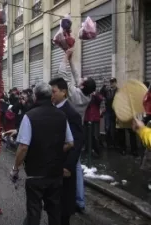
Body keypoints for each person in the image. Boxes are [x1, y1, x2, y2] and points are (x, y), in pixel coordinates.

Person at [10, 82, 74, 225]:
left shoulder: (29, 116)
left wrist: (15, 168)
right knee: (54, 211)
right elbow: (70, 143)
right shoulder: (62, 115)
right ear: (51, 95)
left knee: (34, 212)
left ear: (35, 96)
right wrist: (55, 150)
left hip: (35, 174)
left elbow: (23, 147)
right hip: (55, 173)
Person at [57, 49, 96, 213]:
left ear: (82, 85)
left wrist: (65, 58)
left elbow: (62, 77)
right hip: (77, 134)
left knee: (64, 165)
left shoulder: (74, 93)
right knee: (77, 167)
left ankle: (61, 197)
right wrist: (72, 60)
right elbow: (75, 76)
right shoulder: (87, 96)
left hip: (66, 134)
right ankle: (80, 201)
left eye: (83, 80)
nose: (80, 78)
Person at [49, 77, 84, 225]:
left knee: (64, 208)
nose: (51, 94)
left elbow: (77, 142)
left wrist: (68, 166)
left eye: (54, 91)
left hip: (64, 166)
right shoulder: (52, 109)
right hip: (53, 165)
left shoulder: (71, 113)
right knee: (53, 204)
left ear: (63, 92)